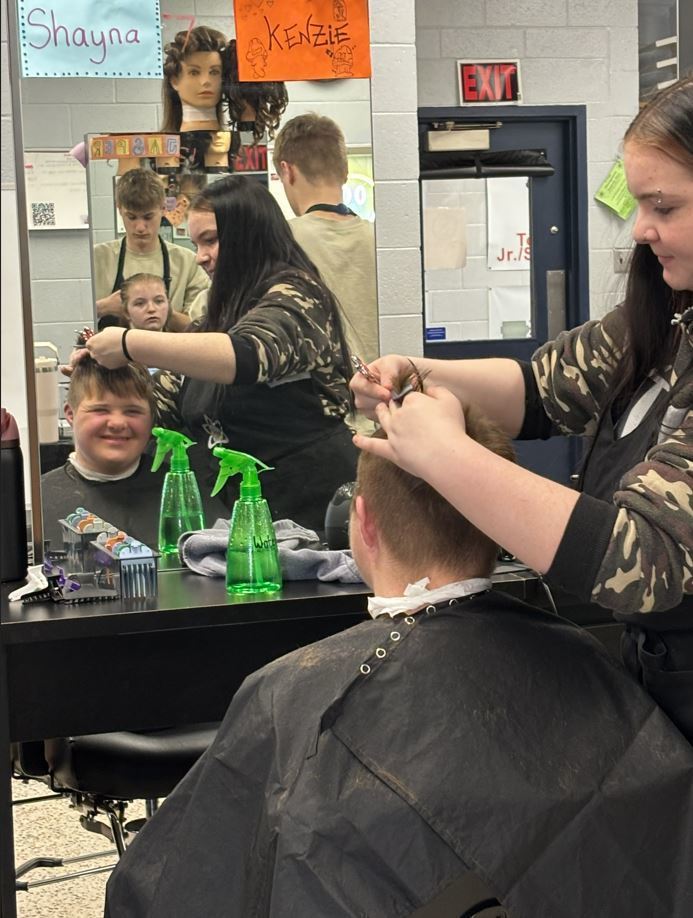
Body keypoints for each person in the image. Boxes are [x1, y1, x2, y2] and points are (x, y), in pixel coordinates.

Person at [103, 392, 693, 917]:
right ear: (497, 521)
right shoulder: (585, 657)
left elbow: (164, 888)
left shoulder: (294, 695)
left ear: (361, 523)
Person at [351, 75, 693, 740]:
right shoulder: (668, 314)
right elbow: (541, 389)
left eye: (663, 206)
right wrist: (420, 373)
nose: (641, 228)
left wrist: (448, 459)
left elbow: (640, 561)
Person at [76, 176, 359, 532]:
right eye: (196, 244)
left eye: (210, 240)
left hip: (314, 513)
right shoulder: (218, 318)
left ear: (248, 234)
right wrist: (102, 380)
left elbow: (248, 354)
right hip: (243, 517)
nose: (201, 258)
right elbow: (159, 397)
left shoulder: (299, 297)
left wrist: (128, 343)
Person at [273, 113, 379, 365]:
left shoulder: (280, 241)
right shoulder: (381, 241)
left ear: (287, 172)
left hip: (323, 397)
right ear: (345, 171)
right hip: (388, 390)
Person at [40, 358, 167, 550]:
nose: (117, 423)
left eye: (132, 411)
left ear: (151, 420)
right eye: (100, 410)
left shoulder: (181, 497)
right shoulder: (38, 503)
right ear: (71, 414)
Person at [93, 168, 209, 331]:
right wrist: (103, 307)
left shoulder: (188, 263)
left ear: (163, 209)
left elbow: (202, 330)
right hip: (111, 356)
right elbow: (72, 317)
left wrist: (165, 313)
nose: (140, 227)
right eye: (131, 217)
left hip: (171, 355)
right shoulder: (97, 259)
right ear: (119, 209)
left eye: (148, 217)